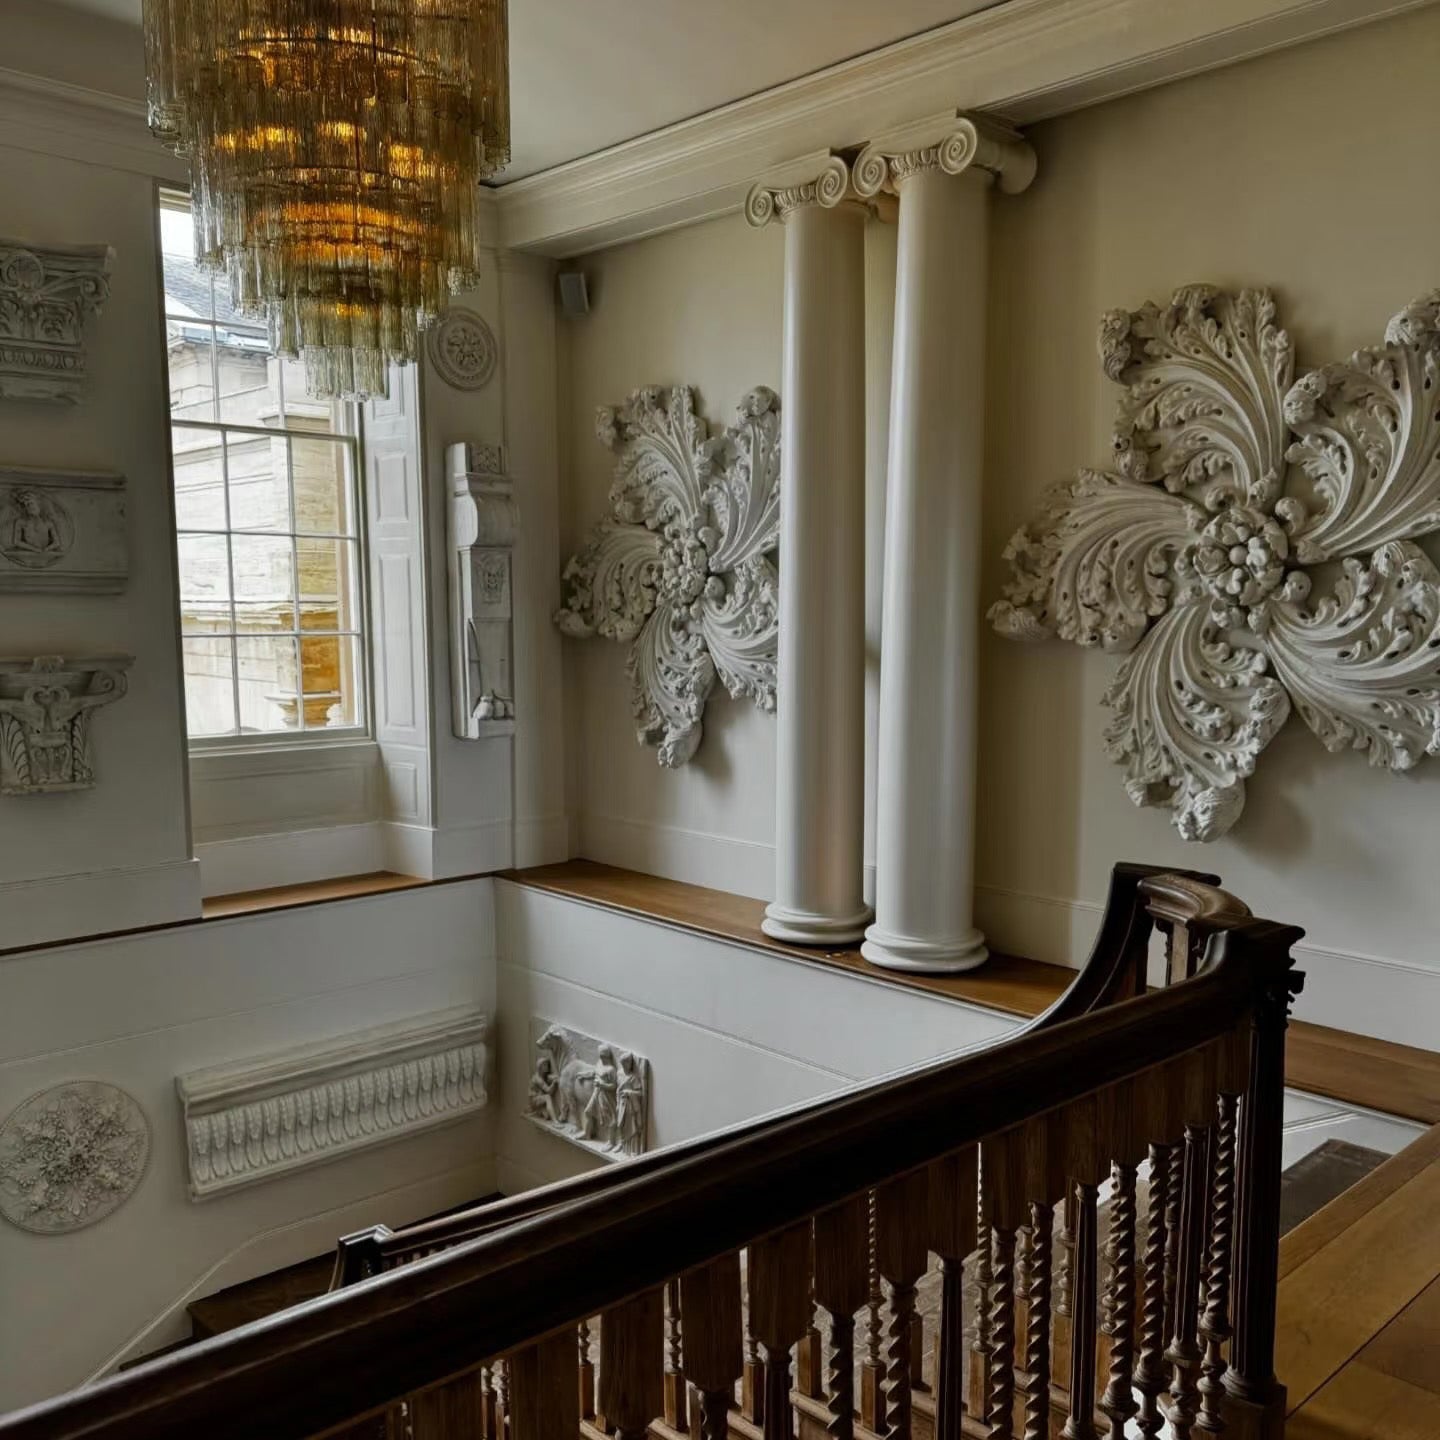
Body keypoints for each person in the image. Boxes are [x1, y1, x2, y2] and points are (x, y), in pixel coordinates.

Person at [582, 1044, 618, 1145]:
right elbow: (594, 1073)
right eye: (600, 1055)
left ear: (606, 1056)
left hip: (606, 1096)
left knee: (611, 1118)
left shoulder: (611, 1069)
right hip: (596, 1093)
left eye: (602, 1056)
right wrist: (583, 1075)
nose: (601, 1058)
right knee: (588, 1112)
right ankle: (587, 1134)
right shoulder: (599, 1063)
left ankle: (611, 1142)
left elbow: (614, 1085)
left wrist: (602, 1084)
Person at [614, 1053, 644, 1155]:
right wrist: (617, 1103)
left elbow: (640, 1093)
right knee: (620, 1124)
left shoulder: (634, 1077)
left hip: (630, 1105)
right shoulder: (619, 1074)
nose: (625, 1066)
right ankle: (621, 1144)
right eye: (623, 1064)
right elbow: (617, 1090)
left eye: (627, 1063)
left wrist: (629, 1093)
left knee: (631, 1126)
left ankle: (633, 1150)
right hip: (621, 1104)